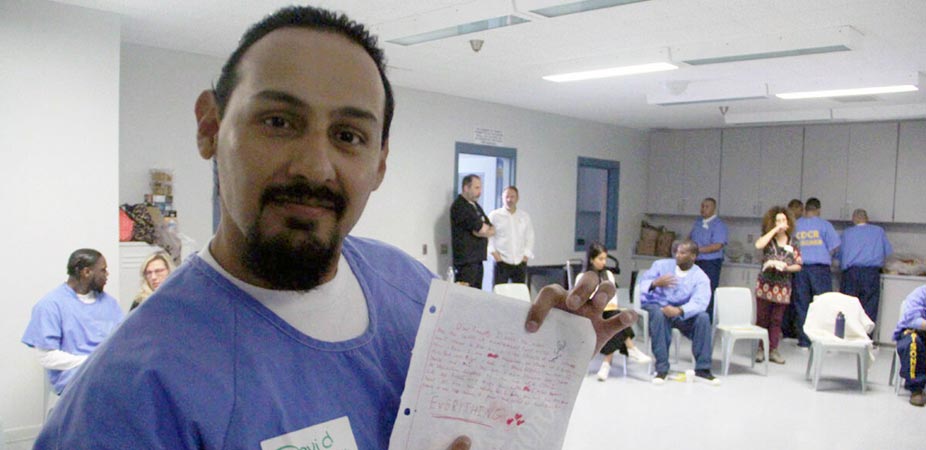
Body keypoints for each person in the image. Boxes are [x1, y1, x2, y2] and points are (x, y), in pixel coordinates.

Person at [34, 6, 634, 449]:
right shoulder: (129, 398)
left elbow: (473, 424)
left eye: (348, 135)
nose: (315, 167)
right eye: (278, 120)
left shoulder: (408, 288)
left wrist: (543, 360)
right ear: (210, 127)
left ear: (379, 162)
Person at [21, 249, 124, 395]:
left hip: (109, 376)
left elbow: (122, 343)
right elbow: (46, 357)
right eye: (103, 270)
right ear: (86, 272)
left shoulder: (110, 304)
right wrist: (89, 362)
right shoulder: (51, 305)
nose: (107, 275)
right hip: (76, 382)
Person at [639, 239, 719, 385]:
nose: (677, 255)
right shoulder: (661, 265)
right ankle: (662, 369)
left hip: (682, 313)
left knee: (703, 318)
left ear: (693, 256)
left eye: (682, 253)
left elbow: (701, 302)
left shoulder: (700, 277)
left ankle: (703, 369)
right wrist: (655, 283)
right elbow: (641, 285)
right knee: (658, 314)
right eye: (676, 252)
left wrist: (679, 310)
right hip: (659, 307)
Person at [576, 242, 652, 381]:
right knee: (616, 321)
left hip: (608, 311)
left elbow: (613, 296)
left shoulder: (608, 274)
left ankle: (606, 363)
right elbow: (581, 300)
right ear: (592, 259)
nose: (603, 262)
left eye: (605, 259)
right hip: (590, 315)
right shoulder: (582, 276)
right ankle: (629, 348)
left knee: (615, 319)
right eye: (600, 259)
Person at [753, 206, 802, 364]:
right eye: (778, 221)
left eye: (783, 220)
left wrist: (786, 267)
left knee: (776, 320)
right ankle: (760, 349)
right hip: (765, 285)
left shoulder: (794, 242)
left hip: (782, 287)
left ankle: (773, 350)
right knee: (762, 319)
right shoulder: (768, 239)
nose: (781, 223)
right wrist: (774, 231)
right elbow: (759, 245)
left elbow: (798, 265)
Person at [792, 197, 840, 348]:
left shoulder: (796, 225)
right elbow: (835, 246)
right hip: (820, 269)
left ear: (805, 209)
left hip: (800, 269)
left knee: (802, 304)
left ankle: (804, 340)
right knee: (823, 303)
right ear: (819, 210)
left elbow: (790, 245)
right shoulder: (825, 225)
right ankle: (821, 340)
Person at [839, 208, 892, 330]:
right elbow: (887, 252)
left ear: (854, 219)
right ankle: (866, 338)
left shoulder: (847, 233)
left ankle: (848, 336)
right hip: (871, 273)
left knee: (848, 306)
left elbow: (839, 254)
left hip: (851, 273)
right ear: (867, 219)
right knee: (870, 306)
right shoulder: (879, 231)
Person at [451, 174, 494, 288]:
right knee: (466, 296)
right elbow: (479, 228)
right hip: (466, 262)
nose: (480, 191)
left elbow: (490, 227)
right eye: (476, 188)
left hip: (477, 259)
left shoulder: (475, 206)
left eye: (480, 188)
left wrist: (483, 231)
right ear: (466, 188)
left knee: (477, 295)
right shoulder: (460, 206)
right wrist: (482, 231)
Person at [689, 197, 727, 322]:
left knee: (708, 292)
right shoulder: (698, 222)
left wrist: (698, 250)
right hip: (696, 262)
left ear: (713, 208)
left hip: (711, 263)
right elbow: (690, 237)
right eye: (702, 206)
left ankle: (706, 322)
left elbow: (717, 245)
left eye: (707, 206)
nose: (703, 209)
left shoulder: (718, 225)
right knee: (694, 291)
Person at [488, 186, 534, 285]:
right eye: (507, 197)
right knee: (499, 294)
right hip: (501, 261)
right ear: (502, 198)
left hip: (520, 261)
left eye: (512, 197)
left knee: (519, 294)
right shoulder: (494, 216)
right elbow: (489, 238)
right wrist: (495, 255)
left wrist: (526, 256)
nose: (509, 200)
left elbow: (530, 237)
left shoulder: (524, 216)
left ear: (517, 198)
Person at [893, 284, 926, 407]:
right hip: (915, 331)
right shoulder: (920, 294)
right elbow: (911, 320)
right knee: (912, 342)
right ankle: (916, 389)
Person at [782, 198, 804, 339]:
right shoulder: (792, 226)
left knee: (789, 300)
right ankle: (791, 331)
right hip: (790, 267)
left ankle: (786, 331)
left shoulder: (789, 226)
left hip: (787, 267)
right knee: (796, 301)